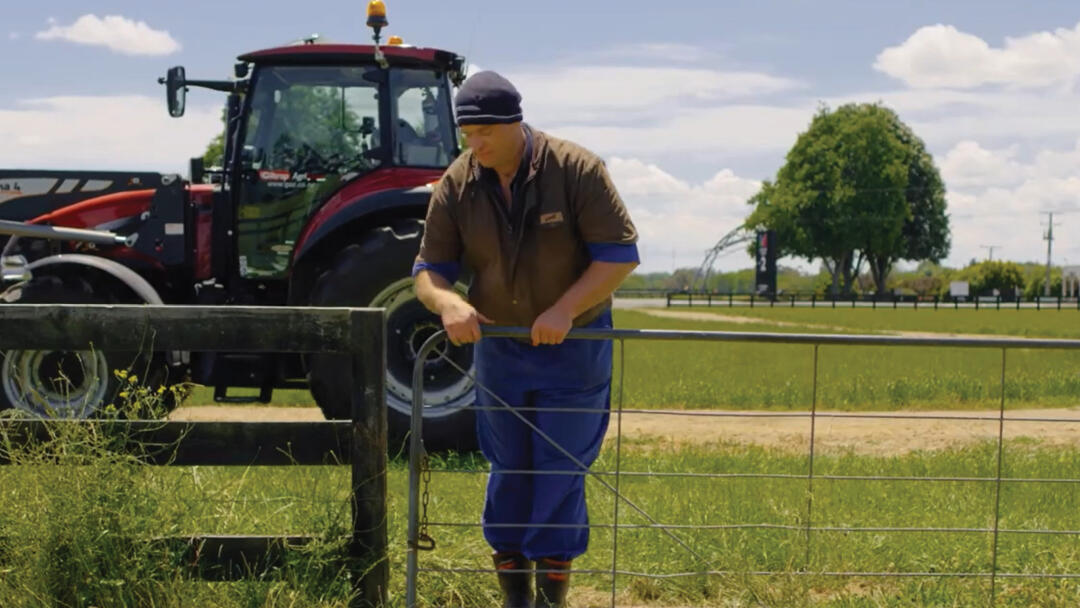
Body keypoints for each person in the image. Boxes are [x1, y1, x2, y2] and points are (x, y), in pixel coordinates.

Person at [413, 71, 639, 608]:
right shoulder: (459, 182)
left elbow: (619, 256)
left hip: (574, 351)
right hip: (503, 354)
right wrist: (448, 302)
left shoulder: (577, 169)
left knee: (559, 473)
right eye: (468, 133)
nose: (475, 143)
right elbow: (427, 269)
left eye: (485, 132)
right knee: (508, 470)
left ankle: (549, 602)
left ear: (515, 122)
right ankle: (515, 599)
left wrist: (565, 308)